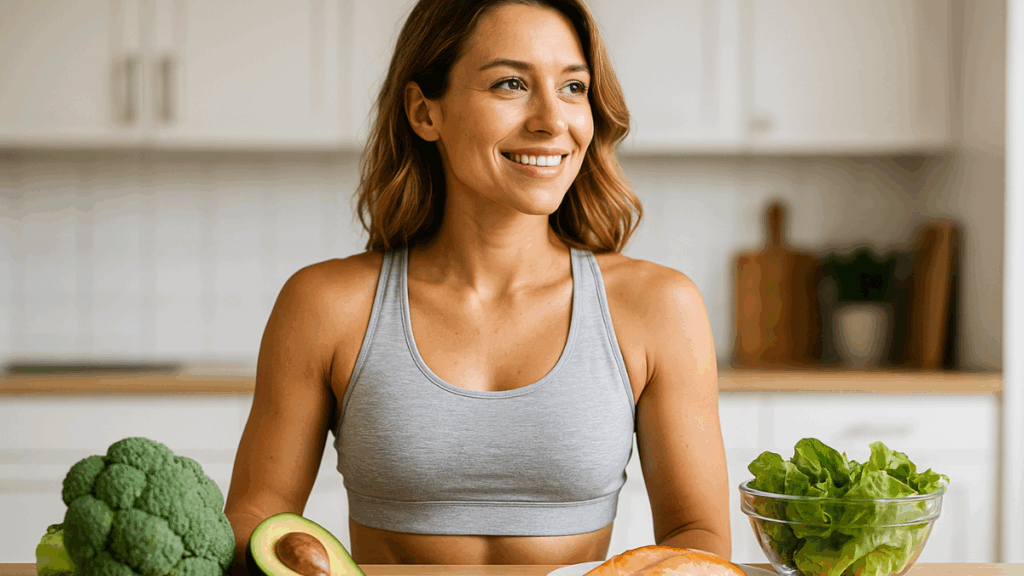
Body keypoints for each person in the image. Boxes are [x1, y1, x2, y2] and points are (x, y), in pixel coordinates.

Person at [223, 0, 731, 569]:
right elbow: (256, 514)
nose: (552, 120)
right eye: (511, 84)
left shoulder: (659, 306)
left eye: (573, 87)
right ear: (424, 112)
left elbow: (696, 533)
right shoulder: (325, 304)